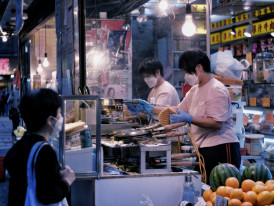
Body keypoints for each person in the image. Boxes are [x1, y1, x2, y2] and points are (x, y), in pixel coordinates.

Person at [127, 49, 241, 182]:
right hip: (202, 148)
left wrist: (189, 118)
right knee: (206, 190)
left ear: (198, 68)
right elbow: (177, 109)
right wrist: (150, 108)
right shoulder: (195, 89)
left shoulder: (216, 89)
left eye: (187, 72)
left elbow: (216, 123)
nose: (185, 76)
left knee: (222, 191)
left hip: (222, 147)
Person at [4, 88, 76, 205]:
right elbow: (49, 195)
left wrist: (55, 174)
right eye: (59, 113)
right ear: (50, 120)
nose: (61, 117)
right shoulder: (44, 151)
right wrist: (67, 180)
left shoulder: (21, 144)